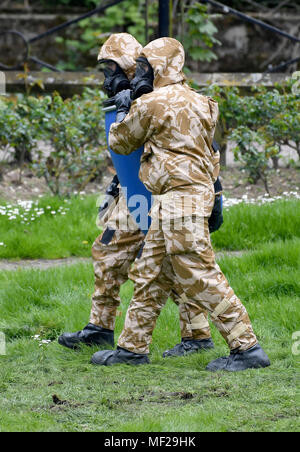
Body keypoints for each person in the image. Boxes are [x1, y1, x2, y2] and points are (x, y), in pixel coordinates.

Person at [91, 37, 271, 372]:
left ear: (159, 67)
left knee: (200, 274)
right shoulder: (204, 102)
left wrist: (123, 106)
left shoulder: (153, 103)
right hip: (184, 198)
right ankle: (132, 348)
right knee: (150, 274)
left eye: (145, 66)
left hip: (178, 200)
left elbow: (120, 140)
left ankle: (246, 348)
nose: (141, 72)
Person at [58, 33, 217, 357]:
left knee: (175, 263)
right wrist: (118, 185)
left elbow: (199, 149)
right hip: (133, 192)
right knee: (108, 251)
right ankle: (100, 328)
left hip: (166, 193)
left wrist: (217, 192)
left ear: (131, 65)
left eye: (112, 68)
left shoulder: (164, 94)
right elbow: (127, 151)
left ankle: (197, 336)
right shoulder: (127, 97)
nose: (108, 77)